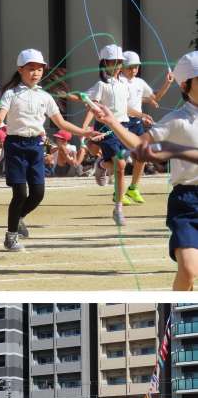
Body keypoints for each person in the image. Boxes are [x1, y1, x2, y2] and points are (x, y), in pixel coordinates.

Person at [92, 50, 198, 290]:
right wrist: (112, 122)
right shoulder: (177, 119)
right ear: (185, 85)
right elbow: (140, 144)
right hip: (188, 202)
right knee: (188, 271)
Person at [0, 48, 99, 251]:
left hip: (36, 145)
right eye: (31, 68)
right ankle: (11, 237)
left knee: (38, 193)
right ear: (20, 70)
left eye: (39, 69)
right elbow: (0, 118)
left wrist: (84, 132)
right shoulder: (11, 94)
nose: (36, 73)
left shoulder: (45, 96)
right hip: (15, 145)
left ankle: (19, 217)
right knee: (20, 193)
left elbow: (61, 123)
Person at [77, 44, 131, 226]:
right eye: (112, 62)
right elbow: (91, 106)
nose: (116, 65)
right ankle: (119, 208)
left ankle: (101, 165)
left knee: (121, 168)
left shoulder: (124, 84)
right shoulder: (101, 85)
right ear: (104, 63)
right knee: (120, 164)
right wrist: (84, 128)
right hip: (106, 127)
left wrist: (141, 115)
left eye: (119, 62)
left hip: (123, 126)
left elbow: (125, 108)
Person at [121, 50, 174, 204]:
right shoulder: (118, 82)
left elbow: (155, 97)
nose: (133, 70)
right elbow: (121, 106)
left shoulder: (139, 82)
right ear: (122, 67)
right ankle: (116, 186)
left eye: (136, 67)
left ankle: (133, 188)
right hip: (122, 122)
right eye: (130, 67)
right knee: (119, 159)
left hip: (136, 123)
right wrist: (142, 115)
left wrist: (167, 83)